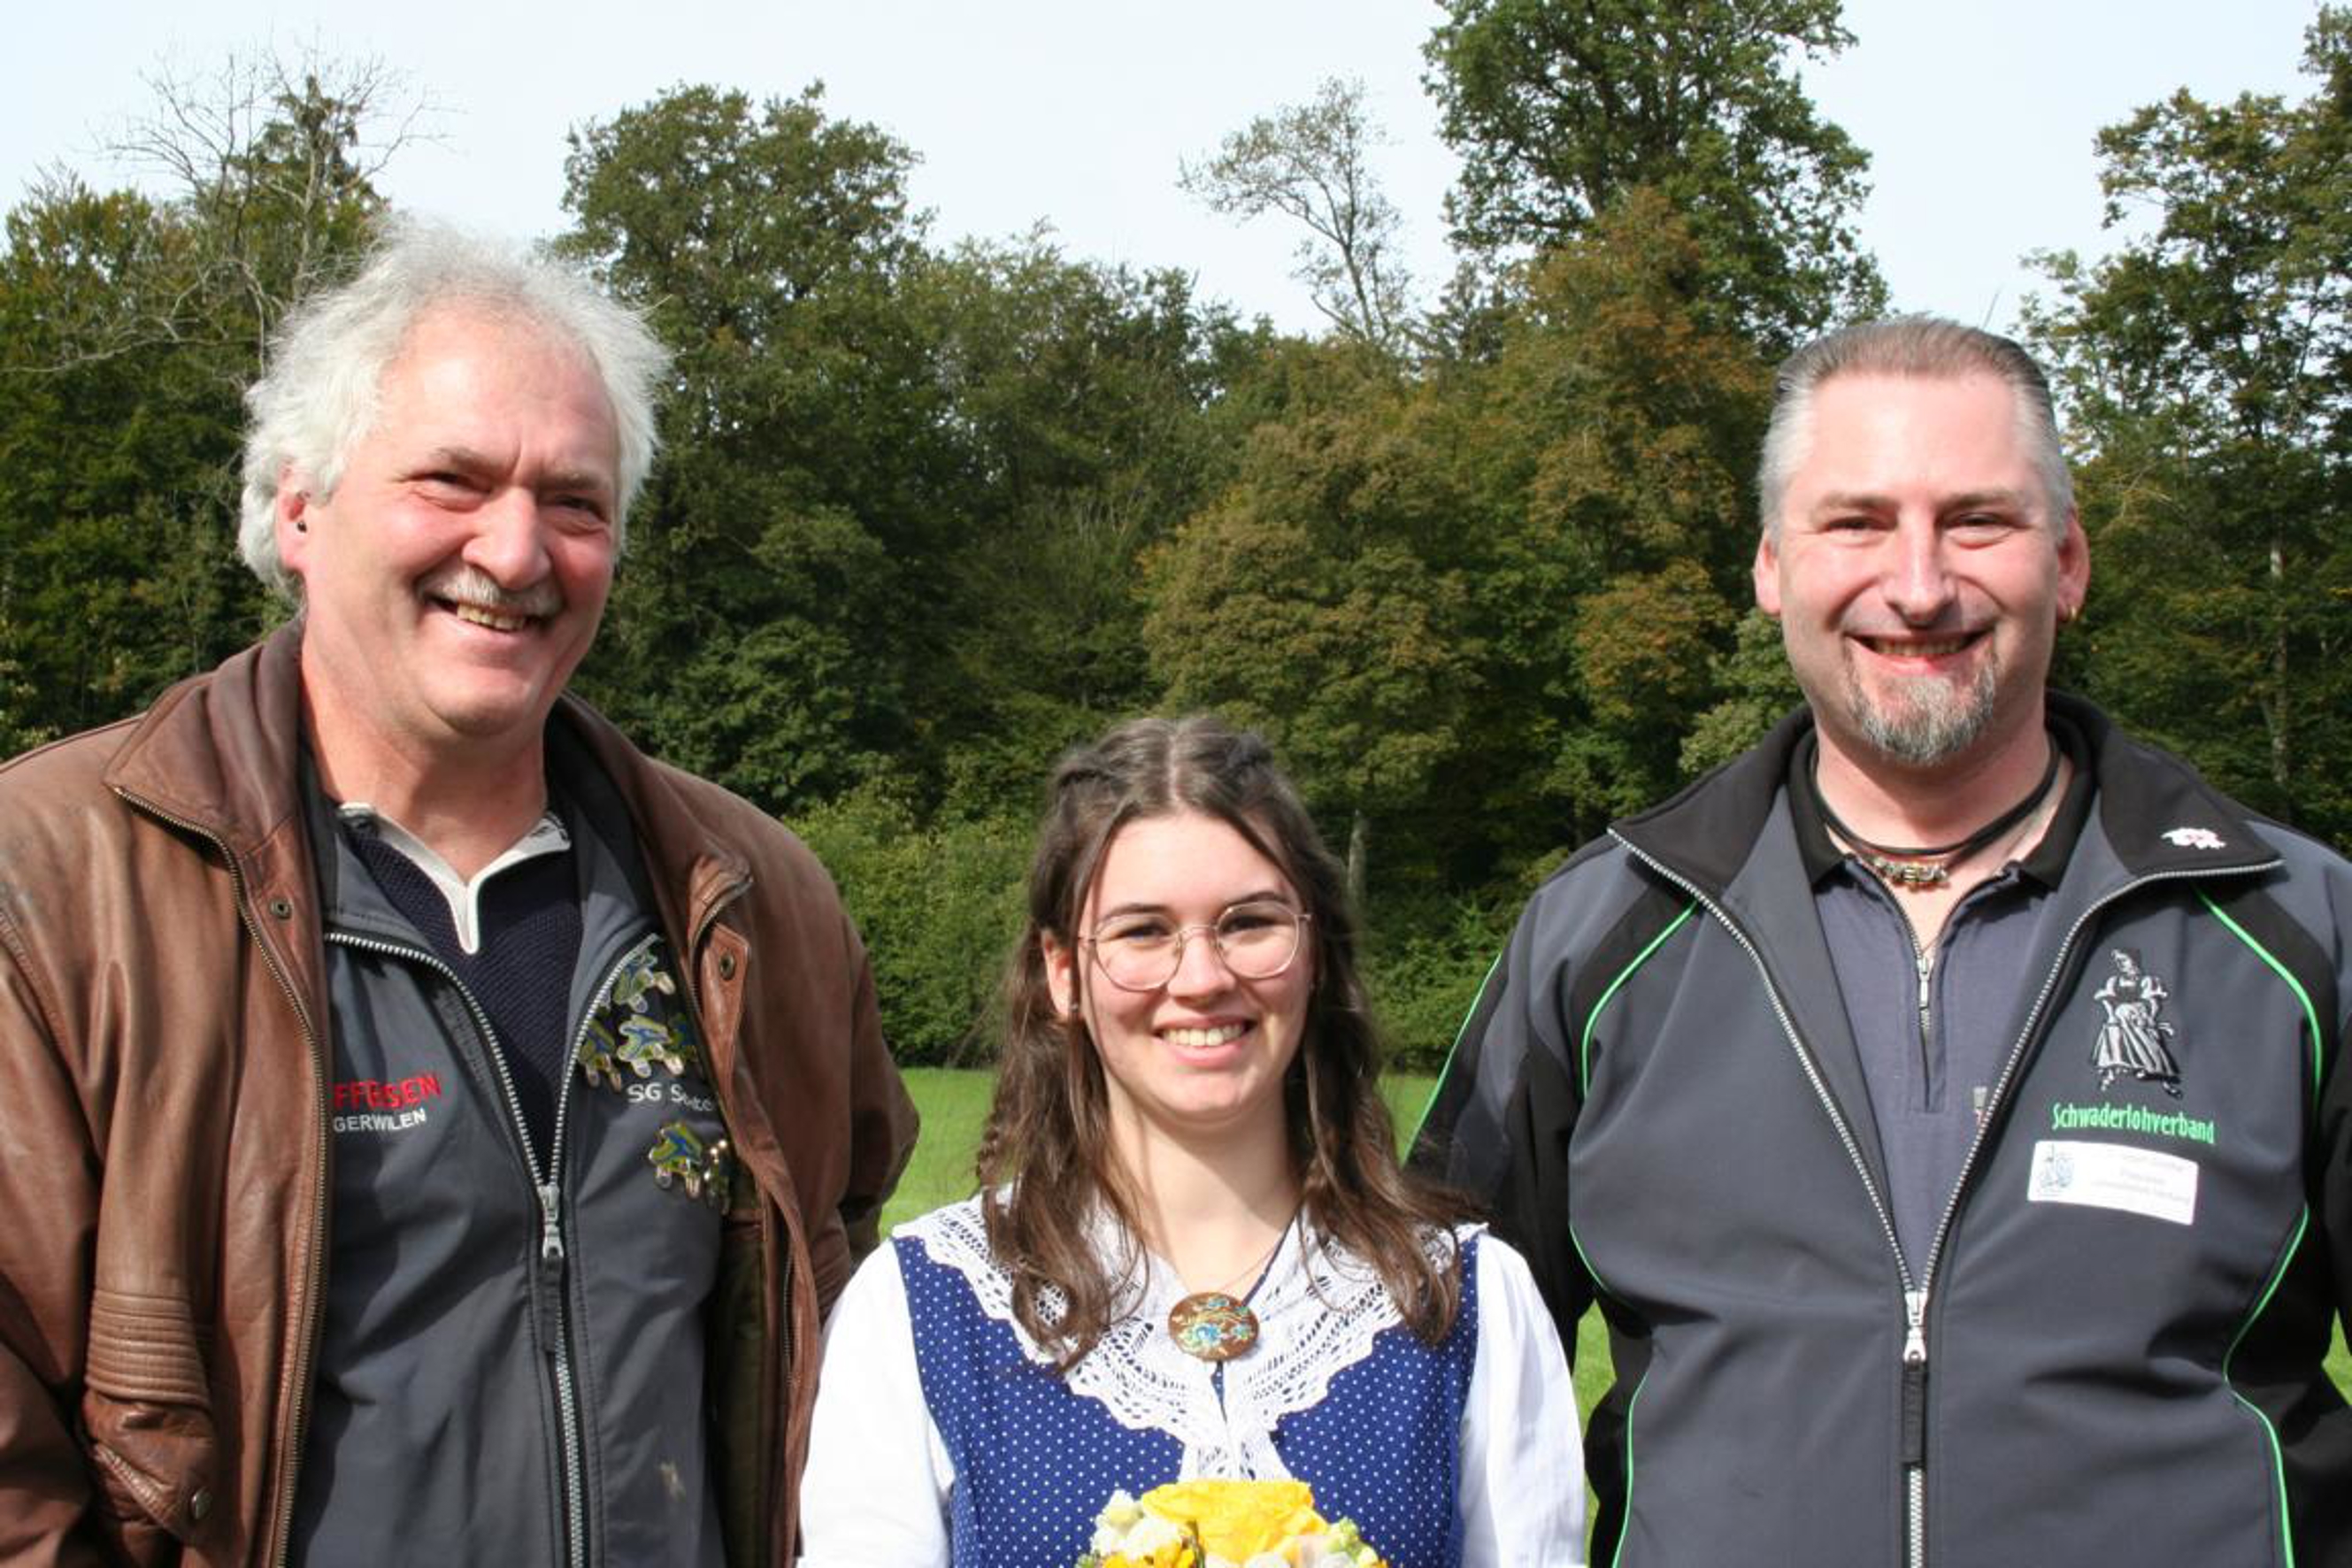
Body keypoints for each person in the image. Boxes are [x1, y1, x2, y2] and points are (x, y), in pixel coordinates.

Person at [0, 221, 918, 1565]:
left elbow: (840, 1310)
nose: (518, 551)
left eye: (574, 502)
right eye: (453, 480)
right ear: (300, 507)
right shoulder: (54, 878)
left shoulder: (755, 898)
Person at [1412, 317, 2352, 1566]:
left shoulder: (2295, 928)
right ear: (1769, 567)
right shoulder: (1599, 936)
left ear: (2065, 562)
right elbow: (1423, 1369)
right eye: (1854, 523)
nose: (1917, 585)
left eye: (1976, 520)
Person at [801, 716, 1583, 1567]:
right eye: (1143, 931)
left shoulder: (1464, 1299)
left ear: (1314, 948)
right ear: (1064, 973)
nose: (1203, 978)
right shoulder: (927, 1306)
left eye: (1249, 923)